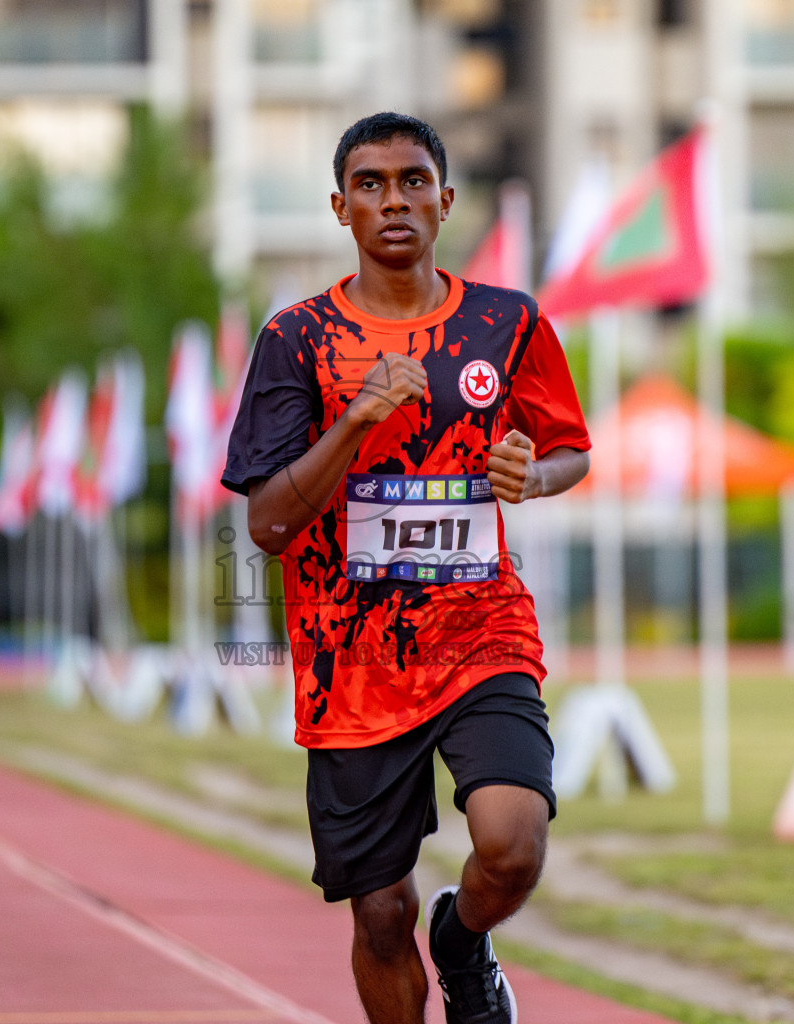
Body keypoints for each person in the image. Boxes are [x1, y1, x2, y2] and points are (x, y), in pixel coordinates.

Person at [222, 112, 590, 1024]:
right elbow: (267, 523)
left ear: (445, 200)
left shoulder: (507, 323)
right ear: (341, 207)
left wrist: (532, 476)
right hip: (351, 660)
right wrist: (355, 420)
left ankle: (464, 938)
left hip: (483, 630)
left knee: (512, 843)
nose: (396, 199)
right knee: (380, 915)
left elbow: (571, 449)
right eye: (374, 184)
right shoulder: (297, 340)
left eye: (415, 180)